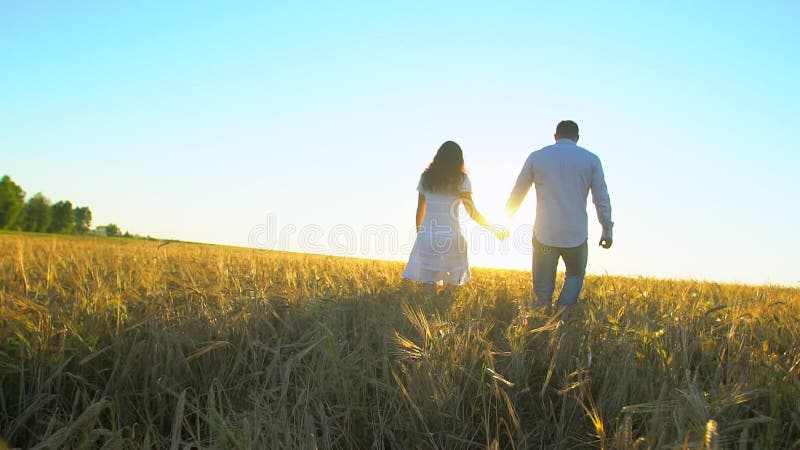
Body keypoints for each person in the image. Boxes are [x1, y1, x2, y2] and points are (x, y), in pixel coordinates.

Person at [505, 120, 613, 309]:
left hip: (545, 236)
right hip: (576, 236)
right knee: (575, 276)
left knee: (542, 291)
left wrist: (506, 221)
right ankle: (563, 315)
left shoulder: (537, 157)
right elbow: (601, 198)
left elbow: (518, 192)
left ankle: (542, 324)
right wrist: (607, 228)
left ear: (555, 136)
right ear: (577, 138)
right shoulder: (591, 159)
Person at [403, 141, 503, 293]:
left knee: (428, 288)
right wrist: (493, 228)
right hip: (452, 240)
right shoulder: (462, 180)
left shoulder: (426, 178)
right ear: (459, 160)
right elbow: (472, 212)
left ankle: (429, 311)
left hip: (427, 238)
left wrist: (421, 235)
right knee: (451, 286)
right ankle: (443, 308)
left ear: (438, 157)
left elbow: (420, 211)